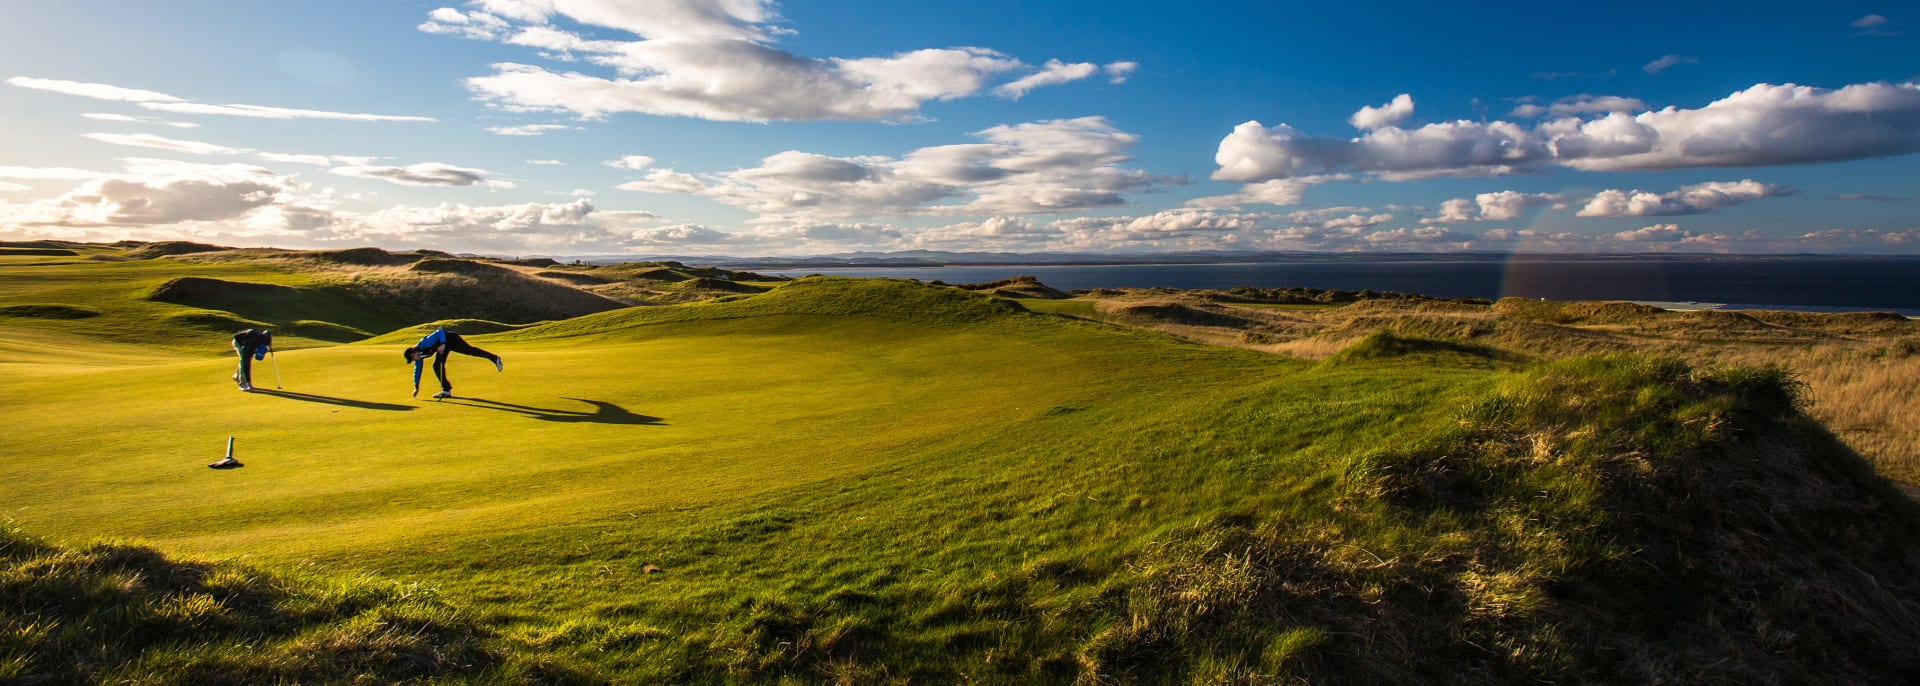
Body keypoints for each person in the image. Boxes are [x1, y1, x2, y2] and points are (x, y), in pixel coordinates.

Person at [404, 328, 502, 399]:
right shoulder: (419, 357)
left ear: (413, 353)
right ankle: (446, 390)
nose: (414, 361)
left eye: (412, 359)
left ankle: (495, 358)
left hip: (451, 339)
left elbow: (440, 331)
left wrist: (442, 344)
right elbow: (417, 370)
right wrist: (416, 387)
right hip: (442, 348)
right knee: (437, 366)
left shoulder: (423, 343)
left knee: (470, 351)